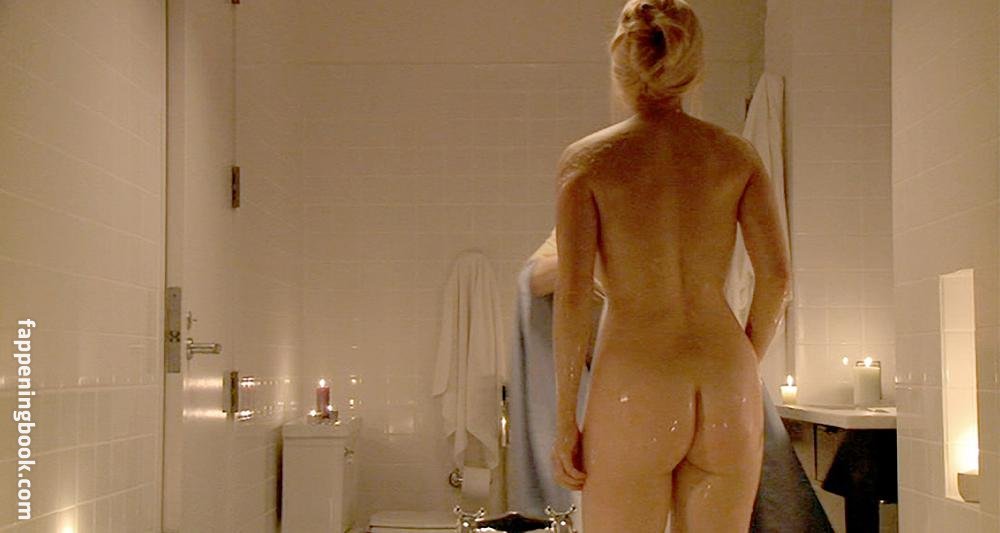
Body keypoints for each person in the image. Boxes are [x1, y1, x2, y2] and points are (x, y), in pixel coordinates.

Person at [550, 2, 792, 532]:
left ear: (621, 65)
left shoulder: (588, 162)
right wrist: (743, 363)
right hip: (726, 378)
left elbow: (572, 296)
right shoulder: (737, 156)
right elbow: (777, 279)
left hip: (636, 380)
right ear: (693, 66)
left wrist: (565, 420)